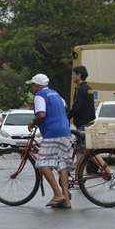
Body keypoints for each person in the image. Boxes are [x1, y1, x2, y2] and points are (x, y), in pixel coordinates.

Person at [26, 73, 73, 209]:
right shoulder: (56, 94)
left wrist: (33, 123)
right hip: (65, 131)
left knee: (41, 163)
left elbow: (41, 114)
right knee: (62, 165)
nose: (32, 88)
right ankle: (66, 200)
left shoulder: (40, 96)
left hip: (53, 133)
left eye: (32, 85)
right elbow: (63, 108)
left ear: (37, 86)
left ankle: (58, 194)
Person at [68, 66, 95, 131]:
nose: (72, 77)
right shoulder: (88, 88)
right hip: (89, 123)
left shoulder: (81, 89)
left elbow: (77, 106)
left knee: (81, 140)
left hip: (83, 125)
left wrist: (67, 117)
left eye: (74, 74)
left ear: (79, 75)